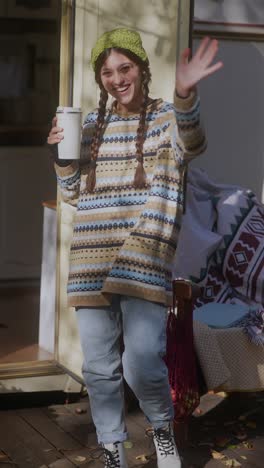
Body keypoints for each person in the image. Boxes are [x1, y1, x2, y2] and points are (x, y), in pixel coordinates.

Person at [48, 28, 223, 468]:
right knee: (99, 369)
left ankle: (162, 430)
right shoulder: (90, 125)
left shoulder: (167, 119)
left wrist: (185, 93)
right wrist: (64, 159)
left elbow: (194, 141)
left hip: (144, 259)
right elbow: (71, 192)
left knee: (141, 361)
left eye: (124, 67)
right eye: (107, 71)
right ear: (100, 79)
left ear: (142, 69)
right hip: (91, 259)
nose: (116, 78)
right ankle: (112, 447)